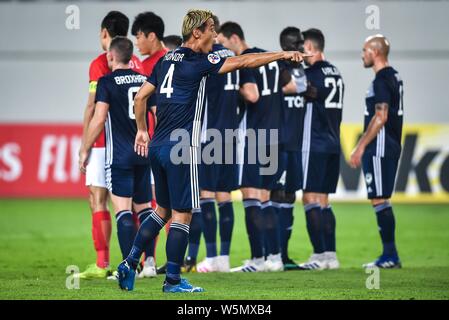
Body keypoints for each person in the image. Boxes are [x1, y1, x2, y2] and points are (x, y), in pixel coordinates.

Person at [117, 9, 308, 293]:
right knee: (184, 216)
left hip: (158, 146)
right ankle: (172, 280)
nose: (215, 36)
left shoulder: (165, 59)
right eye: (211, 30)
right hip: (182, 148)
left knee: (162, 211)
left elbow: (142, 97)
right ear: (197, 33)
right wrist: (281, 55)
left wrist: (143, 130)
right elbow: (244, 61)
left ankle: (129, 262)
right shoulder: (200, 62)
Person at [186, 15, 259, 273]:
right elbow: (251, 93)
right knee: (224, 196)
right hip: (232, 135)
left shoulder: (206, 58)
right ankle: (224, 259)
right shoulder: (234, 56)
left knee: (205, 194)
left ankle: (213, 257)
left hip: (208, 135)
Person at [79, 36, 153, 276]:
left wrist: (84, 149)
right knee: (144, 210)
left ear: (111, 56)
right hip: (144, 154)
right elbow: (158, 113)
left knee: (122, 211)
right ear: (131, 57)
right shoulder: (145, 79)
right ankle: (149, 263)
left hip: (119, 157)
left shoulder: (106, 82)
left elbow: (99, 118)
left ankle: (127, 268)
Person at [218, 21, 285, 272]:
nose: (222, 49)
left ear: (234, 38)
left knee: (250, 196)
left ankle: (258, 259)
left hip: (254, 135)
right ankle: (274, 257)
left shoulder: (245, 60)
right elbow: (287, 88)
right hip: (274, 134)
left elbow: (252, 94)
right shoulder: (269, 57)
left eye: (223, 43)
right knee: (266, 198)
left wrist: (229, 88)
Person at [350, 34, 403, 269]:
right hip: (389, 144)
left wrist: (360, 146)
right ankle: (389, 254)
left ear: (375, 52)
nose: (362, 55)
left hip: (380, 146)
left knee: (380, 198)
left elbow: (381, 116)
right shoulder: (395, 77)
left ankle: (390, 255)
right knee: (379, 198)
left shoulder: (382, 79)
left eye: (365, 50)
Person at [298, 28, 343, 270]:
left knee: (309, 198)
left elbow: (298, 91)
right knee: (323, 201)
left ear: (312, 49)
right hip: (333, 142)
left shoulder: (311, 75)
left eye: (302, 48)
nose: (299, 52)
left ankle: (318, 255)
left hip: (312, 142)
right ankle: (331, 256)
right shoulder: (336, 72)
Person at [131, 10, 169, 279]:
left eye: (139, 36)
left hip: (155, 144)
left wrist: (143, 131)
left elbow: (151, 106)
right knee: (165, 204)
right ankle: (155, 261)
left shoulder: (154, 66)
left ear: (152, 36)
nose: (136, 42)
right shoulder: (170, 60)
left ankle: (150, 261)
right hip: (170, 143)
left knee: (153, 205)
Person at [275, 26, 307, 270]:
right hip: (279, 144)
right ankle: (271, 254)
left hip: (296, 144)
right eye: (298, 43)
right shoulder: (278, 69)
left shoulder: (301, 69)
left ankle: (283, 255)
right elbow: (300, 90)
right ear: (287, 45)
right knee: (276, 196)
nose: (302, 47)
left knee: (290, 197)